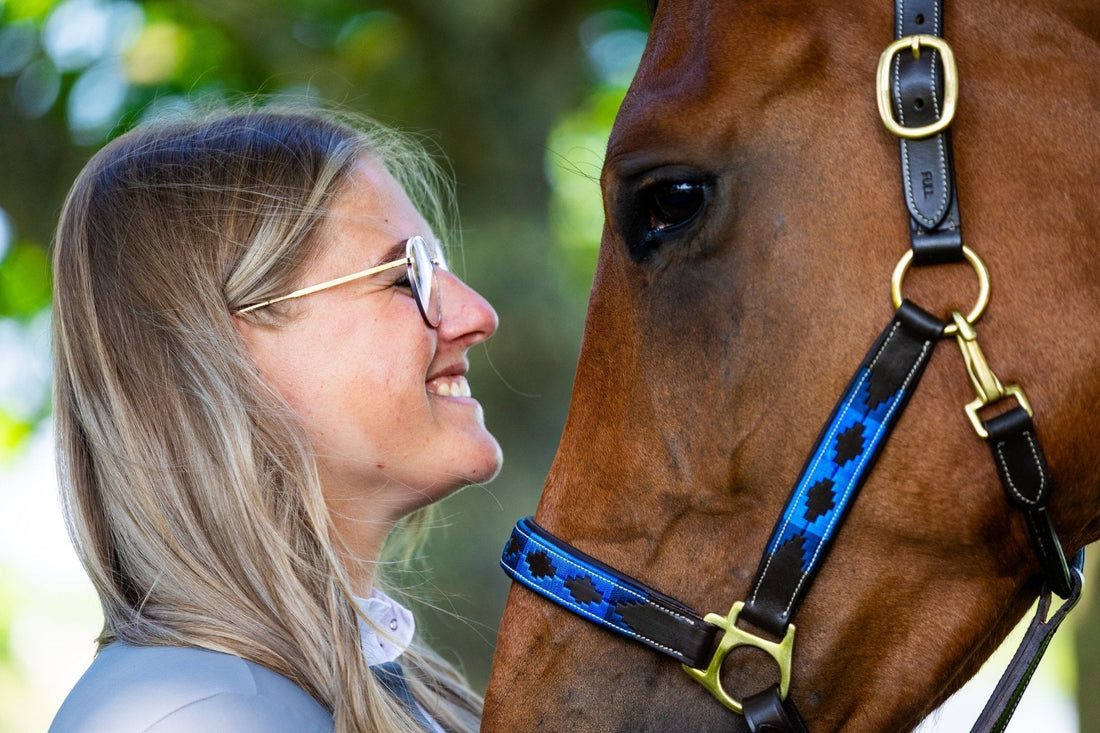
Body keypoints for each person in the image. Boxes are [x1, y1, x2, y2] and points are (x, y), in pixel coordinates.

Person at [48, 106, 503, 732]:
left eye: (441, 263)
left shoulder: (385, 696)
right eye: (406, 276)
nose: (476, 314)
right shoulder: (191, 718)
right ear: (217, 351)